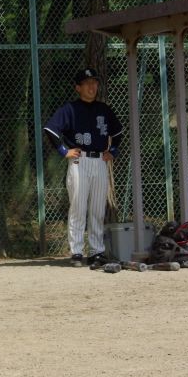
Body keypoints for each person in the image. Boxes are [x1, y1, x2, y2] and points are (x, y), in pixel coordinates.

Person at [43, 68, 123, 267]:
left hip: (100, 161)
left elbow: (118, 132)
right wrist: (63, 150)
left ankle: (97, 251)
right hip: (80, 160)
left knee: (97, 209)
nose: (92, 86)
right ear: (78, 87)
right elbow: (50, 129)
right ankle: (77, 252)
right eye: (87, 83)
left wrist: (113, 151)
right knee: (78, 207)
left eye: (94, 82)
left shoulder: (103, 109)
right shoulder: (70, 109)